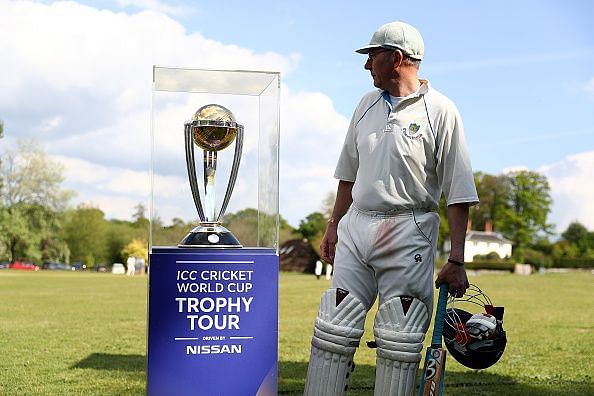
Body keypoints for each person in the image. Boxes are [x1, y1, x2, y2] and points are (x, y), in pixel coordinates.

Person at [304, 21, 478, 396]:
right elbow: (348, 174)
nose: (367, 65)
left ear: (397, 58)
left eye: (372, 56)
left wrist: (458, 259)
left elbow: (458, 191)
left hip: (409, 228)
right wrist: (334, 224)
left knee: (400, 337)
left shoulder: (442, 111)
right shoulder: (365, 105)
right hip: (357, 225)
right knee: (333, 326)